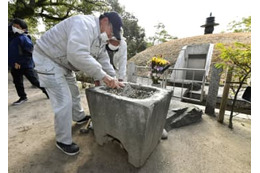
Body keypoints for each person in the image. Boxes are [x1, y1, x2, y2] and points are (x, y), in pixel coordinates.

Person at [33, 12, 124, 156]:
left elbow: (104, 61)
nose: (110, 36)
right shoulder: (83, 24)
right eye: (111, 31)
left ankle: (79, 116)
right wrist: (104, 77)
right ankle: (62, 140)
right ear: (105, 21)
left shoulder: (100, 39)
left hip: (64, 63)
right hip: (48, 58)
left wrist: (115, 78)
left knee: (74, 92)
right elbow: (77, 54)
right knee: (64, 101)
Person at [8, 18, 49, 105]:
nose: (14, 27)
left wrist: (19, 62)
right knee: (17, 82)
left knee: (34, 80)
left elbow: (29, 53)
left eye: (17, 26)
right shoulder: (11, 37)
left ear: (23, 29)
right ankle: (22, 97)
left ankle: (47, 91)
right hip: (14, 65)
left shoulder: (24, 38)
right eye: (13, 26)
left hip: (25, 65)